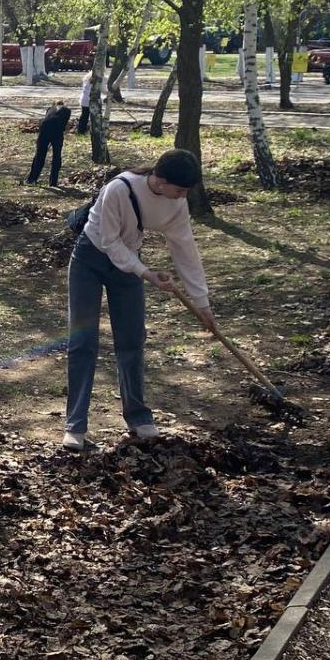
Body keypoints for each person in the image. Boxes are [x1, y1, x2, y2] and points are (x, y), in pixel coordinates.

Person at [63, 149, 216, 452]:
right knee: (84, 342)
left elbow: (185, 250)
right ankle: (75, 425)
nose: (182, 196)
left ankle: (138, 416)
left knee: (132, 339)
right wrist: (146, 273)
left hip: (130, 264)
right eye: (180, 189)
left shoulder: (176, 203)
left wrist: (202, 302)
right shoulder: (118, 189)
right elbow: (109, 242)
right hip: (90, 259)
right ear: (159, 180)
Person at [25, 101, 72, 186]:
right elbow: (64, 124)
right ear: (63, 105)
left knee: (39, 154)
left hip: (45, 129)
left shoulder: (50, 109)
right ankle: (53, 182)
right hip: (57, 131)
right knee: (56, 156)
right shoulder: (67, 110)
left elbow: (47, 118)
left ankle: (32, 179)